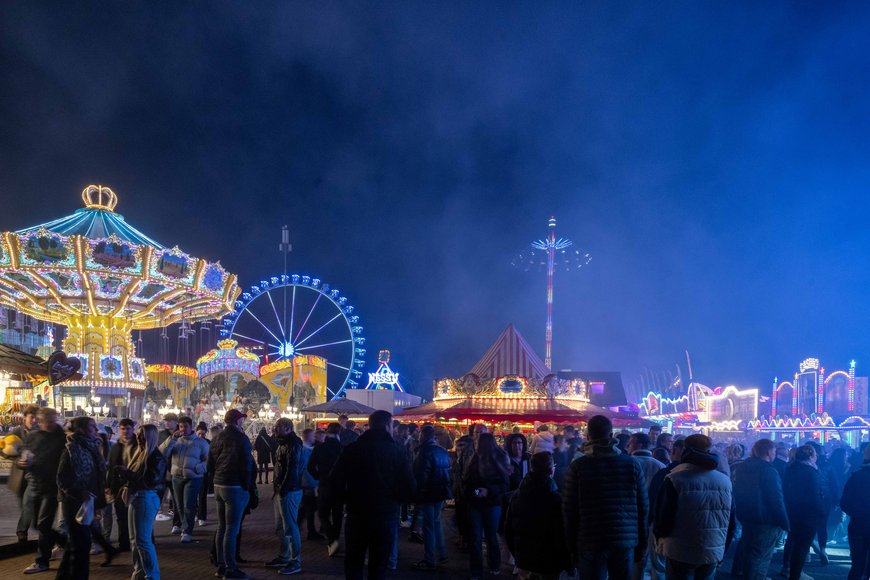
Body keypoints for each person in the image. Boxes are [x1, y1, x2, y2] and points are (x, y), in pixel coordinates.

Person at [329, 410, 416, 580]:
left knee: (354, 561)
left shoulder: (353, 449)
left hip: (357, 513)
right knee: (379, 563)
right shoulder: (397, 450)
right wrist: (398, 500)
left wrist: (347, 499)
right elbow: (410, 484)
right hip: (386, 513)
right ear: (386, 425)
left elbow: (334, 479)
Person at [563, 415, 647, 580]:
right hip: (625, 540)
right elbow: (643, 507)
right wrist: (642, 544)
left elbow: (569, 510)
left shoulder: (578, 466)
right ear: (611, 436)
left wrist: (570, 547)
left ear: (588, 437)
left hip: (590, 540)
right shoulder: (632, 464)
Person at [654, 434, 733, 580]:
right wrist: (723, 548)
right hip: (713, 547)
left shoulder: (675, 478)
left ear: (685, 450)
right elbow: (730, 520)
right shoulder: (725, 481)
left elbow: (664, 517)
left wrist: (659, 538)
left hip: (680, 548)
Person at [55, 416, 108, 580]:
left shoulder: (92, 448)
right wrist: (79, 493)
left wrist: (98, 501)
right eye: (92, 427)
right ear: (81, 430)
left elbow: (96, 477)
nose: (96, 430)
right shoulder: (71, 450)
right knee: (81, 545)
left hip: (88, 502)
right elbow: (61, 479)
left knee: (75, 545)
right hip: (74, 503)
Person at [505, 452, 571, 580]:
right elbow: (561, 534)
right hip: (549, 562)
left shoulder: (517, 496)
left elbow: (508, 529)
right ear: (551, 470)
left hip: (524, 559)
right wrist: (567, 561)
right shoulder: (556, 499)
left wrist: (517, 555)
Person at [732, 439, 789, 580]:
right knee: (761, 556)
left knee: (750, 553)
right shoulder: (768, 470)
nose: (775, 454)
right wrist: (784, 522)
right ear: (769, 452)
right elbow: (775, 499)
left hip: (747, 515)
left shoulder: (743, 466)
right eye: (774, 451)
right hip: (765, 519)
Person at [208, 408, 255, 579]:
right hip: (235, 486)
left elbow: (209, 464)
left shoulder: (217, 437)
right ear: (237, 421)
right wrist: (247, 486)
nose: (243, 421)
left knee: (221, 527)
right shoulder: (241, 438)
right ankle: (230, 568)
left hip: (219, 484)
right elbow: (247, 465)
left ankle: (221, 565)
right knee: (231, 529)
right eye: (242, 419)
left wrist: (216, 478)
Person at [21, 407, 67, 575]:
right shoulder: (33, 436)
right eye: (47, 421)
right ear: (40, 421)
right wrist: (22, 463)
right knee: (35, 524)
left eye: (53, 420)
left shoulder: (61, 437)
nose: (50, 423)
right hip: (34, 484)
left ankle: (42, 561)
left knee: (43, 524)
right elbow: (25, 454)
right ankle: (66, 542)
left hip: (51, 486)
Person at [118, 424, 167, 580]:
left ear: (150, 437)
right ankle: (139, 572)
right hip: (137, 497)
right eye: (138, 434)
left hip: (146, 497)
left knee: (143, 541)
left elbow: (150, 482)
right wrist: (124, 476)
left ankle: (152, 575)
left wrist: (128, 475)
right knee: (135, 540)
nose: (138, 437)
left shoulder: (156, 457)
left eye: (142, 435)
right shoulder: (140, 454)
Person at [462, 432, 511, 580]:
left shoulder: (499, 459)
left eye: (477, 443)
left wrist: (488, 491)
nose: (475, 445)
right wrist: (477, 491)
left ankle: (493, 565)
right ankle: (477, 570)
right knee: (476, 537)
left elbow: (504, 485)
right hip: (477, 503)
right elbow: (467, 483)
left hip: (491, 503)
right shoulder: (474, 460)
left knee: (490, 536)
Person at [265, 417, 305, 576]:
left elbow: (292, 468)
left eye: (278, 427)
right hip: (281, 489)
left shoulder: (293, 444)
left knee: (290, 526)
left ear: (287, 428)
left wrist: (284, 488)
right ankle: (284, 555)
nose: (275, 430)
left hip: (289, 490)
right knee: (280, 527)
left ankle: (295, 560)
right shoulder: (283, 443)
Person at [159, 415, 209, 543]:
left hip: (193, 477)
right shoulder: (176, 441)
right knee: (179, 504)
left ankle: (187, 530)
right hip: (177, 476)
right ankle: (182, 524)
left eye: (185, 426)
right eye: (181, 426)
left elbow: (208, 460)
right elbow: (162, 453)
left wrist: (199, 468)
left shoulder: (200, 442)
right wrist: (171, 440)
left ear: (191, 427)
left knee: (188, 504)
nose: (183, 429)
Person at [782, 444, 827, 580]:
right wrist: (822, 511)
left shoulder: (791, 469)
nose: (816, 457)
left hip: (793, 512)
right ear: (810, 456)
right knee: (802, 547)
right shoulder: (810, 472)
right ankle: (796, 574)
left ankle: (792, 572)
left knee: (795, 543)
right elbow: (814, 495)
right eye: (815, 454)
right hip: (808, 515)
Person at [411, 424, 452, 570]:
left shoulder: (424, 452)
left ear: (423, 435)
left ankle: (429, 558)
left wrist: (417, 496)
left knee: (428, 527)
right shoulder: (442, 452)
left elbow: (421, 476)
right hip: (440, 493)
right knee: (437, 523)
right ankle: (442, 554)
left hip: (428, 493)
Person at [627, 432, 665, 580]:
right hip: (654, 517)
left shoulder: (627, 463)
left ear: (639, 445)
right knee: (657, 561)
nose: (628, 446)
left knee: (635, 558)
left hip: (631, 517)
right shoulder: (661, 466)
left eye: (630, 443)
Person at [3, 404, 39, 543]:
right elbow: (3, 447)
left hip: (36, 475)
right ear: (25, 418)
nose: (34, 420)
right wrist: (16, 459)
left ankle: (22, 531)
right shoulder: (17, 432)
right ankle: (29, 528)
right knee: (24, 505)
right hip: (20, 475)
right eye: (32, 417)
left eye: (37, 418)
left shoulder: (42, 433)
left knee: (28, 502)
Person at [308, 422, 343, 557]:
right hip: (340, 487)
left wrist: (319, 476)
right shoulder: (342, 448)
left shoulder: (320, 448)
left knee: (323, 513)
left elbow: (311, 466)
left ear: (327, 432)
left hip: (325, 485)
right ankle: (335, 539)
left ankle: (332, 539)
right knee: (337, 514)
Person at [106, 417, 136, 553]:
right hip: (119, 486)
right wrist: (110, 486)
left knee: (136, 514)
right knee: (121, 515)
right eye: (122, 429)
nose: (125, 431)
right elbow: (111, 467)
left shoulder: (138, 445)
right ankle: (123, 542)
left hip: (134, 484)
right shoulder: (116, 446)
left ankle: (140, 540)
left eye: (128, 428)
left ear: (133, 429)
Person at [840, 444, 870, 580]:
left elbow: (844, 503)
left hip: (858, 525)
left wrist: (857, 513)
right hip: (860, 524)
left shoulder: (856, 477)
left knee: (857, 565)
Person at [298, 428, 321, 541]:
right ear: (307, 436)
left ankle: (303, 527)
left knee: (307, 507)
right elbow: (306, 468)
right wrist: (312, 482)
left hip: (308, 482)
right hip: (308, 483)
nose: (314, 438)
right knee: (310, 507)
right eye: (312, 436)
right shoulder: (304, 450)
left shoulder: (306, 449)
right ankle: (310, 530)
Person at [157, 413, 179, 524]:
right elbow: (159, 450)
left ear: (176, 422)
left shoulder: (181, 434)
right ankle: (159, 512)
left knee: (176, 496)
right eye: (165, 421)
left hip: (176, 468)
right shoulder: (161, 434)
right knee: (160, 493)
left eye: (169, 421)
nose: (167, 423)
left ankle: (176, 520)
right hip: (163, 468)